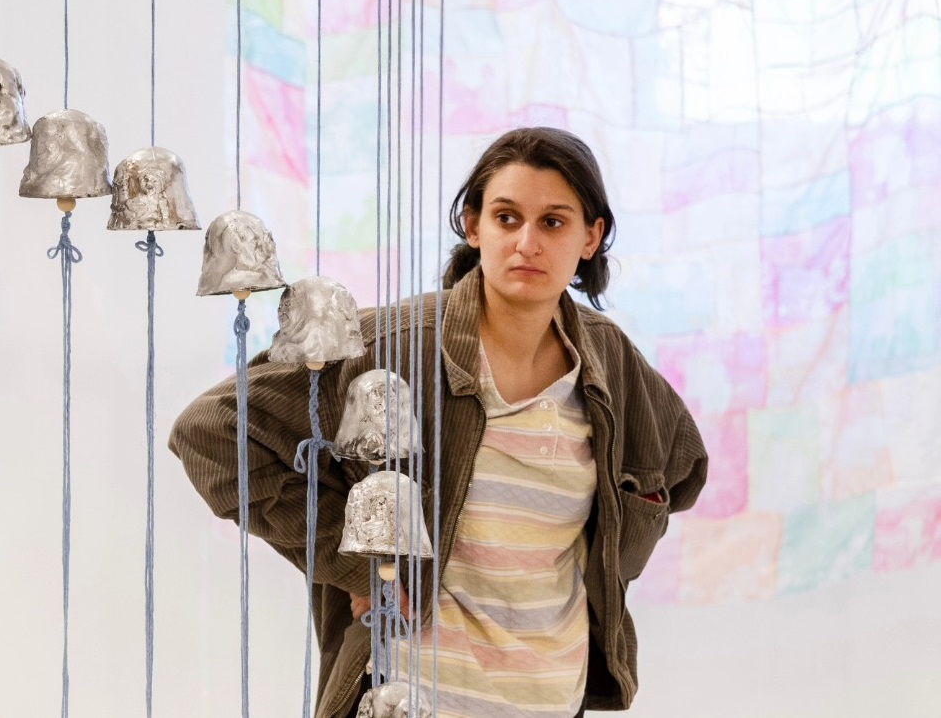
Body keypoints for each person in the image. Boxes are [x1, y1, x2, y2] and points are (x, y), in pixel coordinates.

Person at [169, 127, 708, 718]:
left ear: (590, 237)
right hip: (409, 696)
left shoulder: (610, 363)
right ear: (474, 227)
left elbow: (677, 470)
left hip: (551, 698)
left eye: (553, 222)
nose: (527, 241)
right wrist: (353, 561)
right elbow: (212, 430)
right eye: (507, 218)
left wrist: (609, 565)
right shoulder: (395, 345)